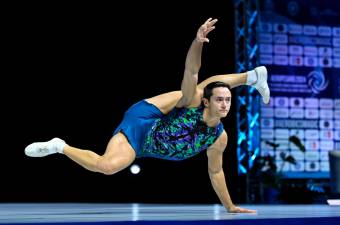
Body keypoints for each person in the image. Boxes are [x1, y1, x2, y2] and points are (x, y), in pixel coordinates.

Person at [25, 18, 269, 213]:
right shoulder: (196, 101)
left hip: (147, 145)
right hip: (145, 119)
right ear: (208, 103)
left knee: (107, 167)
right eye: (220, 100)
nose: (225, 104)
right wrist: (197, 41)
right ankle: (252, 77)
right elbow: (192, 70)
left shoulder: (219, 138)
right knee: (195, 89)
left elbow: (215, 172)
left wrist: (230, 207)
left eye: (228, 100)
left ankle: (59, 146)